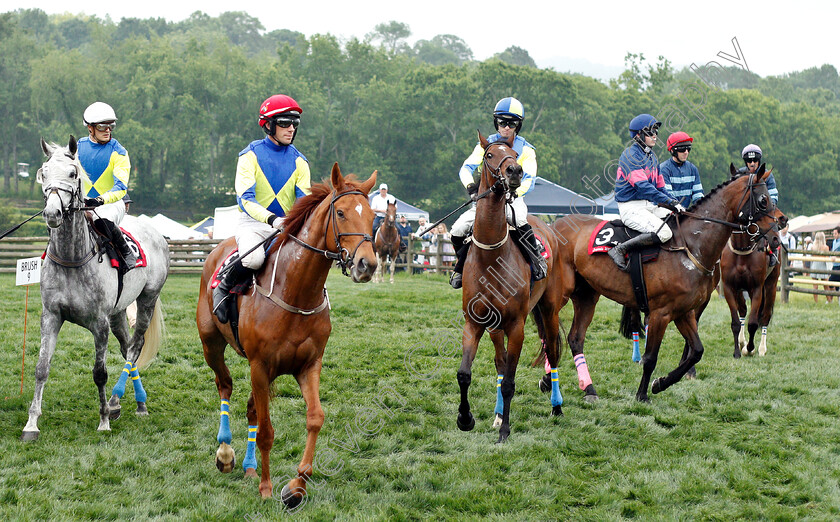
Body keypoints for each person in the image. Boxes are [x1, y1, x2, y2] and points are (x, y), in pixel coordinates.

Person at [212, 94, 311, 323]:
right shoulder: (250, 155)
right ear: (268, 125)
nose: (291, 129)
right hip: (254, 223)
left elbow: (303, 202)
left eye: (294, 124)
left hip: (286, 227)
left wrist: (292, 222)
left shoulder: (300, 162)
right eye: (285, 123)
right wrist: (273, 220)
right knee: (254, 260)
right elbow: (245, 200)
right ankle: (223, 288)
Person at [449, 96, 547, 289]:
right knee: (457, 230)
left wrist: (516, 193)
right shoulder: (485, 145)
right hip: (486, 200)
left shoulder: (526, 150)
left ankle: (536, 260)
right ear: (496, 123)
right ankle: (461, 267)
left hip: (512, 200)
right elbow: (465, 169)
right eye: (502, 122)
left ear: (518, 126)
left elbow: (529, 179)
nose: (506, 127)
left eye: (511, 124)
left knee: (518, 220)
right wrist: (471, 188)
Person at [608, 114, 683, 271]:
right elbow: (644, 188)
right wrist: (669, 203)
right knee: (664, 233)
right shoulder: (630, 156)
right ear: (638, 135)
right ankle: (620, 249)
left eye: (656, 131)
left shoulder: (652, 157)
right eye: (650, 132)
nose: (655, 135)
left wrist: (675, 202)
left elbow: (661, 188)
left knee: (680, 218)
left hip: (650, 206)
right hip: (631, 208)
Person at [78, 102, 137, 270]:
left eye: (111, 126)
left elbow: (120, 188)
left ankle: (125, 253)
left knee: (102, 221)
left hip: (110, 203)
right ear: (90, 128)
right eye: (103, 126)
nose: (108, 130)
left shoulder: (119, 152)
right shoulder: (77, 148)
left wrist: (100, 200)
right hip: (82, 204)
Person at [737, 144, 781, 268]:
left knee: (772, 225)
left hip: (762, 211)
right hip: (744, 211)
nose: (752, 163)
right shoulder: (740, 174)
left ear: (759, 161)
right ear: (745, 162)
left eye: (755, 160)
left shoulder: (767, 175)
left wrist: (768, 207)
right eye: (749, 161)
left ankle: (774, 252)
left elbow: (773, 195)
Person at [660, 131, 704, 208]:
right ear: (672, 151)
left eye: (688, 148)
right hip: (666, 212)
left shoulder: (693, 169)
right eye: (682, 149)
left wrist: (702, 207)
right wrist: (679, 207)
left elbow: (698, 194)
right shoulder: (664, 169)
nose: (686, 152)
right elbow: (668, 196)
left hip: (683, 213)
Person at [810, 232, 832, 303]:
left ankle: (816, 301)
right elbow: (827, 257)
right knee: (825, 285)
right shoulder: (825, 247)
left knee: (815, 286)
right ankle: (829, 300)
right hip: (822, 266)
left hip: (815, 265)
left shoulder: (812, 247)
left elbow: (812, 256)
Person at [830, 227, 840, 293]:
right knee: (832, 283)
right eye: (833, 233)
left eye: (835, 233)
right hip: (835, 264)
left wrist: (836, 256)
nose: (834, 235)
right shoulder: (834, 242)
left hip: (839, 264)